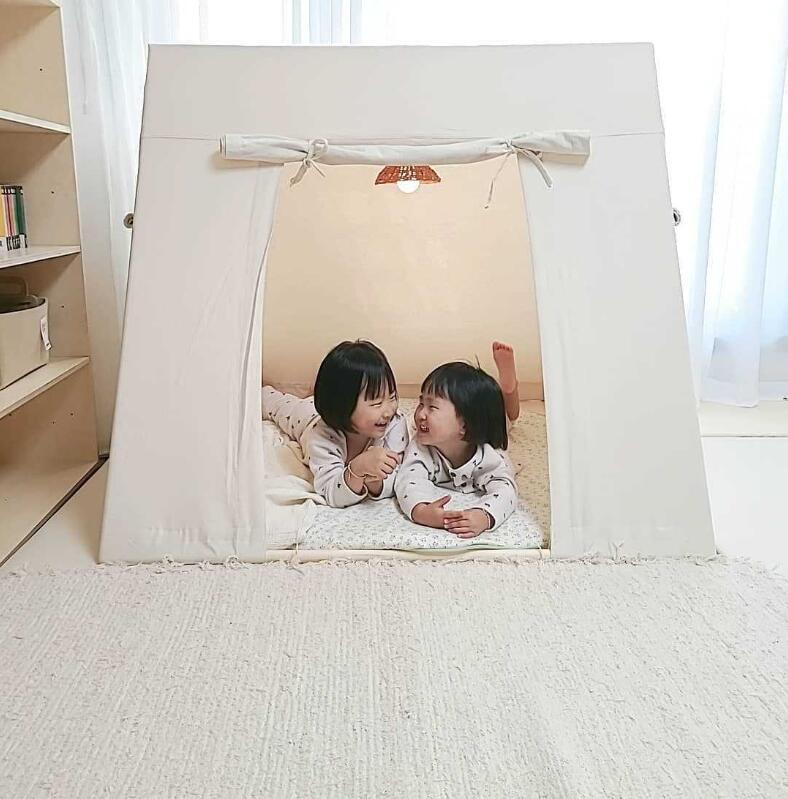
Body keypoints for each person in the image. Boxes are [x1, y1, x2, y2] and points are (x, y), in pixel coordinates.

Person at [263, 340, 408, 507]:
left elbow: (396, 478)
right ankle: (262, 390)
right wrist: (357, 470)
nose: (388, 411)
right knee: (279, 406)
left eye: (392, 397)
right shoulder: (322, 435)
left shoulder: (394, 424)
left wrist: (374, 480)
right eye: (376, 403)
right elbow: (331, 492)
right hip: (307, 418)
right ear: (342, 404)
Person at [395, 360, 518, 538]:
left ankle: (509, 388)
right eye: (421, 404)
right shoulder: (421, 447)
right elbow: (408, 480)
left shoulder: (490, 457)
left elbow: (506, 490)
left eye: (432, 407)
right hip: (472, 427)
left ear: (464, 425)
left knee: (507, 421)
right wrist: (421, 510)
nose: (420, 414)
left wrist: (484, 516)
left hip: (489, 428)